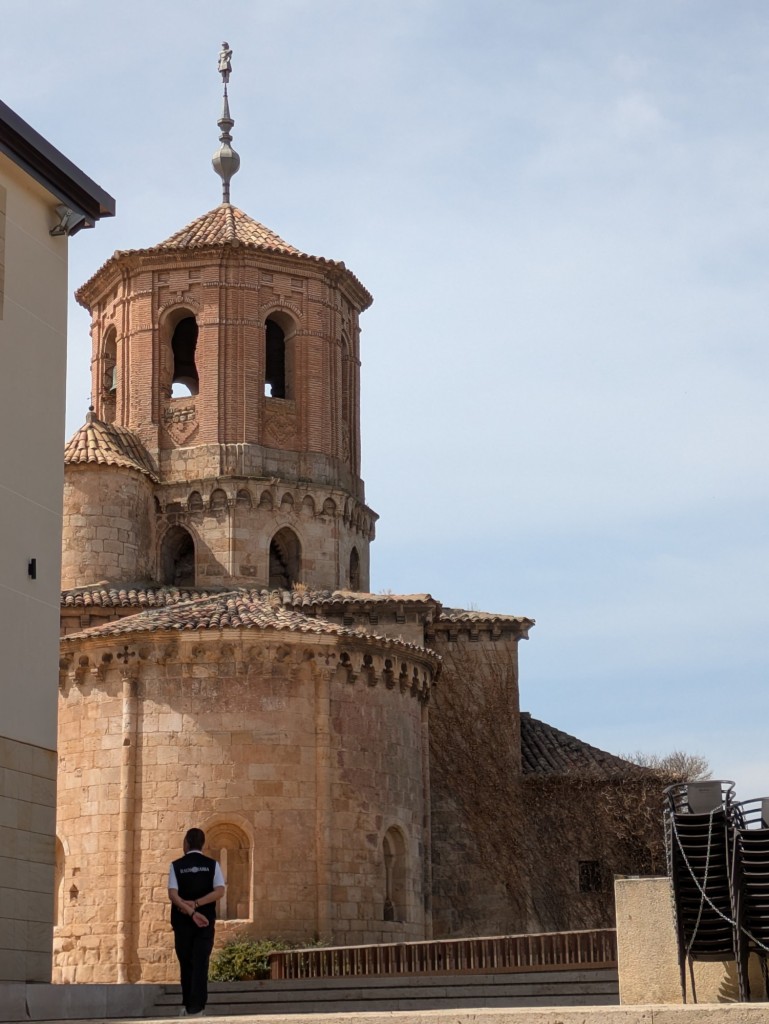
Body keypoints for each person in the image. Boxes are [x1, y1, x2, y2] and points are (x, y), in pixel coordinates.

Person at [168, 828, 225, 1017]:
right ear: (203, 844)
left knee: (186, 963)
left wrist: (190, 911)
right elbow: (219, 891)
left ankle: (188, 1005)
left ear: (186, 842)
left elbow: (173, 895)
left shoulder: (176, 866)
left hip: (182, 921)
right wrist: (198, 905)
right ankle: (197, 1007)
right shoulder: (212, 865)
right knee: (201, 962)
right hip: (205, 921)